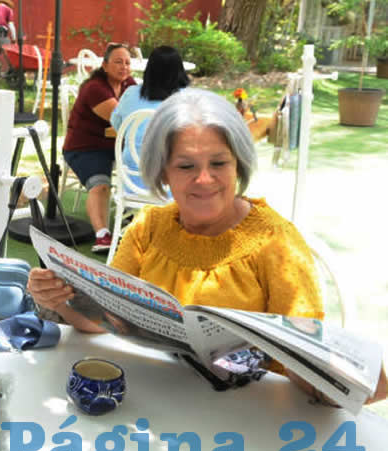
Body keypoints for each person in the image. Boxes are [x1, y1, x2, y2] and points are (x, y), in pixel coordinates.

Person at [31, 88, 388, 404]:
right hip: (159, 403)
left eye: (219, 163)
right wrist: (58, 301)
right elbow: (106, 321)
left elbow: (302, 360)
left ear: (239, 166)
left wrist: (342, 381)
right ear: (163, 173)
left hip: (252, 419)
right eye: (186, 166)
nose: (205, 179)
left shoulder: (274, 241)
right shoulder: (149, 228)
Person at [62, 43, 136, 253]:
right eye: (118, 62)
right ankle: (102, 235)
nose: (124, 67)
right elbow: (122, 120)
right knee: (100, 185)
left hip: (114, 145)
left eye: (128, 63)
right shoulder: (94, 88)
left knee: (141, 167)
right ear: (104, 65)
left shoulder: (129, 84)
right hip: (85, 147)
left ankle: (130, 222)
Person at [110, 45, 189, 192]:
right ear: (179, 71)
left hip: (131, 181)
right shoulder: (188, 99)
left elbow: (117, 124)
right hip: (169, 186)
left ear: (149, 69)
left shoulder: (131, 93)